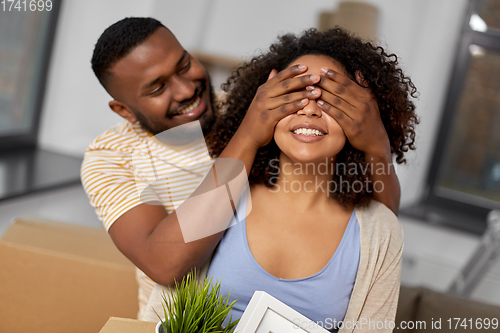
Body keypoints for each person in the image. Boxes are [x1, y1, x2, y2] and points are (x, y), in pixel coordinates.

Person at [81, 17, 403, 319]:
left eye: (183, 65)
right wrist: (248, 134)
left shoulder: (248, 104)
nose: (185, 89)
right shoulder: (110, 158)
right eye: (157, 88)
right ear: (124, 110)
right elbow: (165, 265)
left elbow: (371, 230)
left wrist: (375, 142)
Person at [206, 28, 417, 331]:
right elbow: (162, 294)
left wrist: (377, 142)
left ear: (363, 116)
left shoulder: (377, 232)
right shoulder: (223, 194)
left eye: (331, 99)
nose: (309, 109)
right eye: (294, 94)